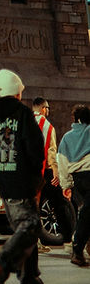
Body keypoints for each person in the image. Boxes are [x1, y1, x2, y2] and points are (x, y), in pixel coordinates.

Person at [0, 68, 49, 284]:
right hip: (22, 182)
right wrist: (35, 177)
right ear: (17, 92)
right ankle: (0, 263)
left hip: (3, 181)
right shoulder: (22, 114)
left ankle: (29, 281)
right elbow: (35, 150)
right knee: (30, 226)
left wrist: (1, 172)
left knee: (23, 230)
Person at [31, 97, 75, 246]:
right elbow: (51, 152)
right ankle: (68, 240)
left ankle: (34, 241)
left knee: (32, 206)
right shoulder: (47, 126)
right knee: (59, 204)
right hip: (44, 171)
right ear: (44, 109)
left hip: (25, 173)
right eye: (48, 108)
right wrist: (56, 173)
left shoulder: (23, 122)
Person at [57, 103, 90, 267]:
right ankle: (77, 247)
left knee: (83, 212)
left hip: (76, 179)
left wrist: (66, 185)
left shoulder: (67, 138)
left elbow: (61, 161)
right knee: (86, 214)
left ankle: (81, 248)